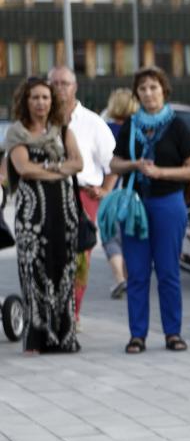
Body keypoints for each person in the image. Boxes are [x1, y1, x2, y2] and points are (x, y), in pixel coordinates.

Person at [108, 66, 190, 355]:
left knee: (168, 272)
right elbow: (114, 164)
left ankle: (173, 333)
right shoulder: (131, 125)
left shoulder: (176, 126)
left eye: (153, 87)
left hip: (168, 203)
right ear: (137, 94)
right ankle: (138, 335)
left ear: (164, 90)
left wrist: (162, 172)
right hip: (136, 204)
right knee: (136, 272)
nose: (148, 93)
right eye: (143, 88)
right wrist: (134, 166)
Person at [4, 77, 83, 354]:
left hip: (64, 211)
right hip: (32, 213)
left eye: (45, 97)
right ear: (25, 101)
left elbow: (78, 163)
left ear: (53, 101)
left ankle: (64, 337)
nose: (41, 103)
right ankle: (36, 338)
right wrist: (58, 167)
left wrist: (49, 167)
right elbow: (25, 169)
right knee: (33, 271)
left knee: (63, 270)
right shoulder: (16, 132)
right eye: (35, 97)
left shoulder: (62, 131)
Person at [47, 66, 118, 322]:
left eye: (64, 83)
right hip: (49, 191)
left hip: (83, 194)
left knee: (79, 255)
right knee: (50, 253)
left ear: (74, 87)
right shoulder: (40, 121)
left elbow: (114, 162)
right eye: (54, 82)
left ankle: (72, 314)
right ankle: (53, 309)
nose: (59, 88)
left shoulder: (92, 122)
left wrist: (106, 188)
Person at [100, 88, 137, 299]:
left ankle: (120, 279)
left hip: (110, 191)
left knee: (110, 237)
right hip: (133, 193)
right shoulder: (137, 129)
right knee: (129, 236)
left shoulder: (105, 129)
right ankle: (131, 280)